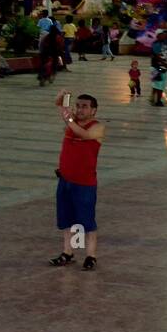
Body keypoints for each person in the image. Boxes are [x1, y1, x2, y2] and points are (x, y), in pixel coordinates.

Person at [49, 93, 107, 270]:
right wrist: (64, 95)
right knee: (68, 220)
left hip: (84, 184)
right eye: (78, 105)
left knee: (86, 221)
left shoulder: (97, 127)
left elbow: (85, 135)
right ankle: (69, 252)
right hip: (66, 181)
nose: (80, 109)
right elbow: (59, 103)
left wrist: (69, 121)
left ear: (93, 110)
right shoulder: (71, 122)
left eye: (85, 106)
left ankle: (90, 256)